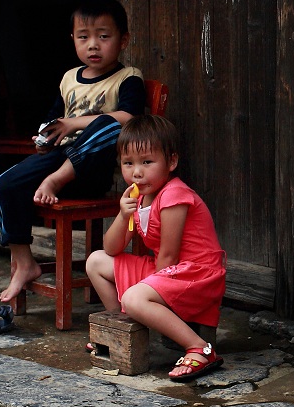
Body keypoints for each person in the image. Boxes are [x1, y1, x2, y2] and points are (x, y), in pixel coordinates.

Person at [0, 0, 147, 304]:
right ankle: (25, 263)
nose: (93, 45)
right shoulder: (68, 80)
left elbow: (129, 118)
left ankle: (56, 179)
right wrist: (45, 137)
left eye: (104, 37)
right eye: (84, 37)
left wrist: (73, 124)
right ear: (73, 40)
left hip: (92, 169)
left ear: (123, 40)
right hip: (59, 158)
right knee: (2, 185)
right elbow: (53, 120)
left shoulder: (128, 78)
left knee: (110, 124)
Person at [85, 114, 227, 381]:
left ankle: (200, 348)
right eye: (128, 163)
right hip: (169, 270)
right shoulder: (138, 198)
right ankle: (120, 329)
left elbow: (169, 254)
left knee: (134, 297)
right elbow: (112, 248)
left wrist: (144, 291)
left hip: (196, 273)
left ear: (171, 161)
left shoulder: (174, 194)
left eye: (147, 162)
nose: (137, 172)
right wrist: (123, 215)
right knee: (96, 261)